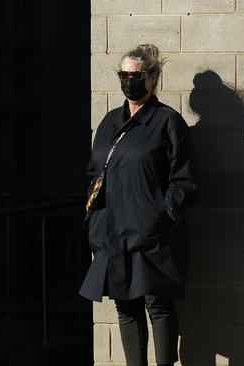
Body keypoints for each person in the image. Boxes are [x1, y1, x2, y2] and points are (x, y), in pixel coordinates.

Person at [79, 44, 196, 366]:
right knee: (124, 305)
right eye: (124, 75)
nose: (129, 81)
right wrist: (94, 219)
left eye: (136, 75)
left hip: (149, 232)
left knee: (157, 303)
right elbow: (94, 171)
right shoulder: (109, 121)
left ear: (153, 77)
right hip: (111, 229)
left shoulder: (166, 122)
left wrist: (163, 214)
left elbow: (183, 178)